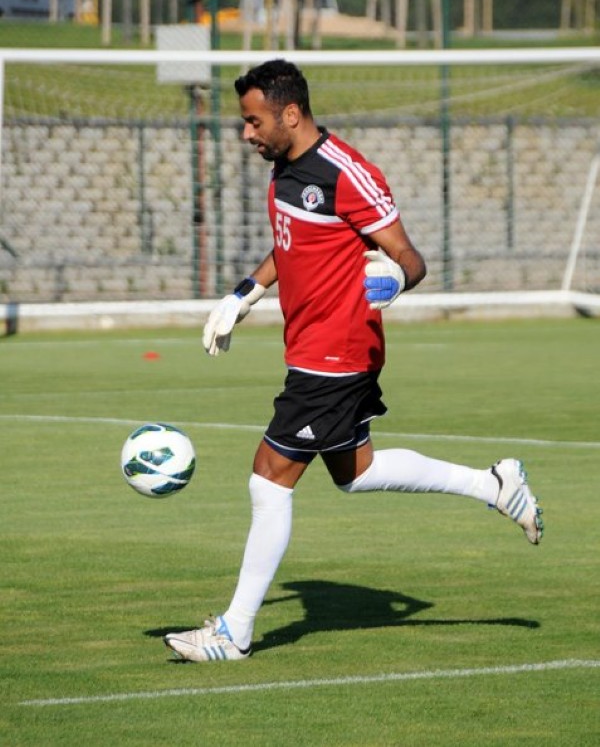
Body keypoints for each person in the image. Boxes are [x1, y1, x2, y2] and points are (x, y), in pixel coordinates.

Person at [164, 59, 544, 663]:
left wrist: (395, 279)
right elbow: (293, 243)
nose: (246, 133)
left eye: (254, 121)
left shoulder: (348, 173)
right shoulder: (284, 170)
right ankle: (494, 484)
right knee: (355, 471)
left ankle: (235, 632)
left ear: (291, 114)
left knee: (269, 476)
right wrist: (244, 294)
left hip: (337, 351)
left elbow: (411, 259)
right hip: (311, 346)